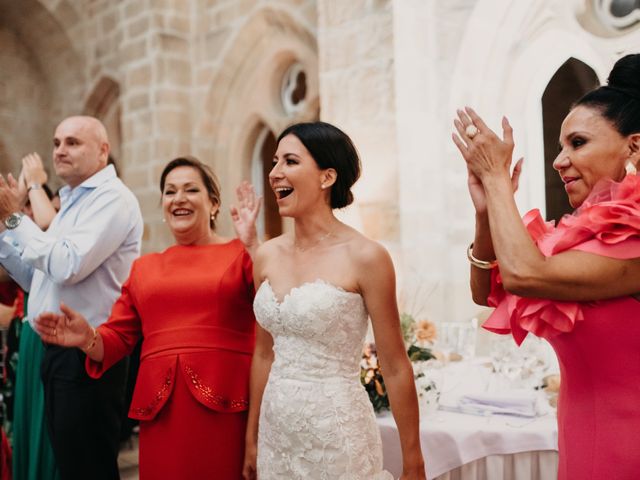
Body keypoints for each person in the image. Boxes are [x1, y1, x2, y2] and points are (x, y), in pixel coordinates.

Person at [452, 53, 640, 480]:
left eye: (577, 143)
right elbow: (490, 292)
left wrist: (499, 180)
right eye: (560, 147)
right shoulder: (586, 240)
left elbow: (526, 275)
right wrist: (485, 211)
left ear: (634, 145)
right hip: (580, 449)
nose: (558, 161)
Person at [36, 156, 261, 479]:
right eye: (169, 192)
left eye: (190, 190)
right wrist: (88, 338)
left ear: (213, 204)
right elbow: (117, 339)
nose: (178, 198)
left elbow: (274, 303)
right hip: (163, 410)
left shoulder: (241, 254)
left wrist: (254, 245)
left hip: (227, 406)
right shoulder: (145, 267)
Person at [243, 122, 426, 479]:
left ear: (327, 177)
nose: (275, 172)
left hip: (337, 438)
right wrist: (251, 438)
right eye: (276, 161)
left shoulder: (366, 256)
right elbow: (264, 353)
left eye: (290, 161)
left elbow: (395, 366)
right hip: (275, 437)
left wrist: (413, 461)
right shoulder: (266, 256)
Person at [0, 115, 143, 480]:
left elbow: (66, 264)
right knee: (68, 464)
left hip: (89, 352)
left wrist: (16, 220)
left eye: (73, 142)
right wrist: (4, 228)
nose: (60, 150)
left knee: (87, 467)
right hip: (55, 350)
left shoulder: (113, 200)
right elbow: (39, 280)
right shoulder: (73, 203)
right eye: (57, 142)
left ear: (103, 151)